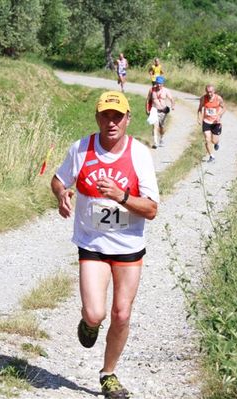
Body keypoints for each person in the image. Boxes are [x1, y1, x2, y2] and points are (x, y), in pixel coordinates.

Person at [51, 91, 159, 399]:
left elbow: (151, 209)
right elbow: (59, 180)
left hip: (128, 245)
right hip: (93, 242)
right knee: (96, 313)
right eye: (105, 116)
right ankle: (89, 323)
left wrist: (120, 196)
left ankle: (108, 374)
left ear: (128, 119)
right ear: (98, 117)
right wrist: (61, 194)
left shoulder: (139, 154)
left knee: (122, 314)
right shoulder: (81, 148)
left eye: (118, 116)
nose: (111, 122)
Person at [197, 84, 225, 162]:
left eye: (211, 92)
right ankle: (211, 156)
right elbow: (199, 109)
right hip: (206, 121)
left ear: (214, 91)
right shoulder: (203, 98)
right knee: (207, 139)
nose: (209, 94)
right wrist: (199, 118)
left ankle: (216, 143)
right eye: (207, 92)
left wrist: (219, 115)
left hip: (216, 122)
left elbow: (224, 108)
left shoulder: (218, 98)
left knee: (214, 141)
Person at [145, 76, 175, 149]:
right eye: (157, 83)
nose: (159, 85)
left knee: (161, 127)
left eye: (160, 83)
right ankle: (155, 143)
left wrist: (172, 105)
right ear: (156, 83)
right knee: (155, 126)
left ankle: (161, 138)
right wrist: (146, 109)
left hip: (163, 111)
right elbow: (148, 100)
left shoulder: (166, 91)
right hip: (154, 110)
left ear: (163, 84)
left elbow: (171, 99)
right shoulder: (152, 90)